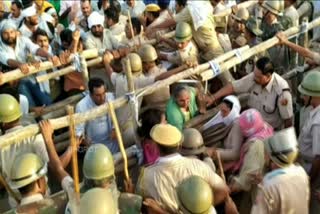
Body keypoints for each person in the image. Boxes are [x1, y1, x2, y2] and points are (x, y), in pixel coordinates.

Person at [104, 51, 192, 146]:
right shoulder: (139, 80)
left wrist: (106, 62)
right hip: (130, 129)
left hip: (117, 127)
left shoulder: (118, 78)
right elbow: (160, 78)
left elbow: (110, 72)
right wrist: (182, 68)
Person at [136, 124, 229, 213]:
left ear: (155, 146)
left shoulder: (145, 176)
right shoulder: (198, 165)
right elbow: (223, 190)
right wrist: (203, 208)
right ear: (179, 145)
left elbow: (141, 206)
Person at [209, 57, 293, 131]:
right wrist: (213, 98)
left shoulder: (281, 92)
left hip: (270, 132)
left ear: (268, 76)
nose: (254, 78)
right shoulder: (255, 77)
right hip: (250, 128)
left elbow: (288, 120)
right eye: (254, 74)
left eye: (258, 77)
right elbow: (233, 86)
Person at [0, 94, 49, 207]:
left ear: (2, 123)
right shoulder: (34, 134)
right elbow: (47, 164)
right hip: (42, 194)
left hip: (17, 201)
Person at [251, 127, 309, 214]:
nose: (264, 156)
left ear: (274, 158)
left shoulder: (267, 186)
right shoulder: (302, 173)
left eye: (266, 153)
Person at [229, 109, 273, 213]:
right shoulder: (265, 128)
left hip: (259, 192)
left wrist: (227, 189)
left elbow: (246, 178)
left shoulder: (255, 146)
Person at [297, 70, 320, 214]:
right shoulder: (314, 112)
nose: (302, 96)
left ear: (314, 96)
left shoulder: (318, 123)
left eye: (305, 94)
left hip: (313, 170)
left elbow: (319, 157)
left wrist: (310, 179)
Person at [75, 78, 119, 154]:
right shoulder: (81, 106)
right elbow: (78, 132)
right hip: (94, 148)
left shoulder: (110, 97)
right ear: (91, 95)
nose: (102, 98)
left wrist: (114, 128)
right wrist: (86, 142)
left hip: (112, 144)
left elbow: (119, 114)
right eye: (98, 95)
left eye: (103, 93)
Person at [201, 95, 243, 166]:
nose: (221, 114)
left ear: (233, 111)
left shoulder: (237, 126)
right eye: (221, 110)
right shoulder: (228, 120)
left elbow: (235, 154)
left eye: (224, 111)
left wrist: (213, 151)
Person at [138, 44, 170, 111]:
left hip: (154, 112)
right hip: (168, 108)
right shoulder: (164, 70)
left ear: (145, 63)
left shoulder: (144, 78)